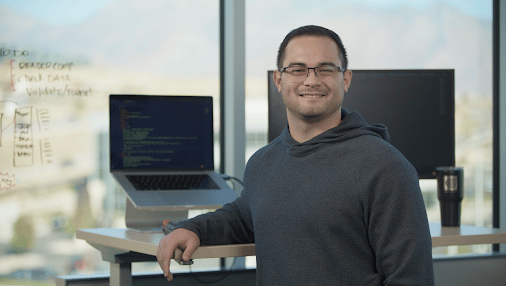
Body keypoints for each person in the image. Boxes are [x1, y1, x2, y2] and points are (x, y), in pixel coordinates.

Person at [157, 25, 434, 285]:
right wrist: (193, 228)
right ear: (279, 79)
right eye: (298, 69)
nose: (311, 80)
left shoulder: (385, 167)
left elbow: (410, 278)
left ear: (345, 79)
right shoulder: (263, 163)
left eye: (325, 69)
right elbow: (242, 218)